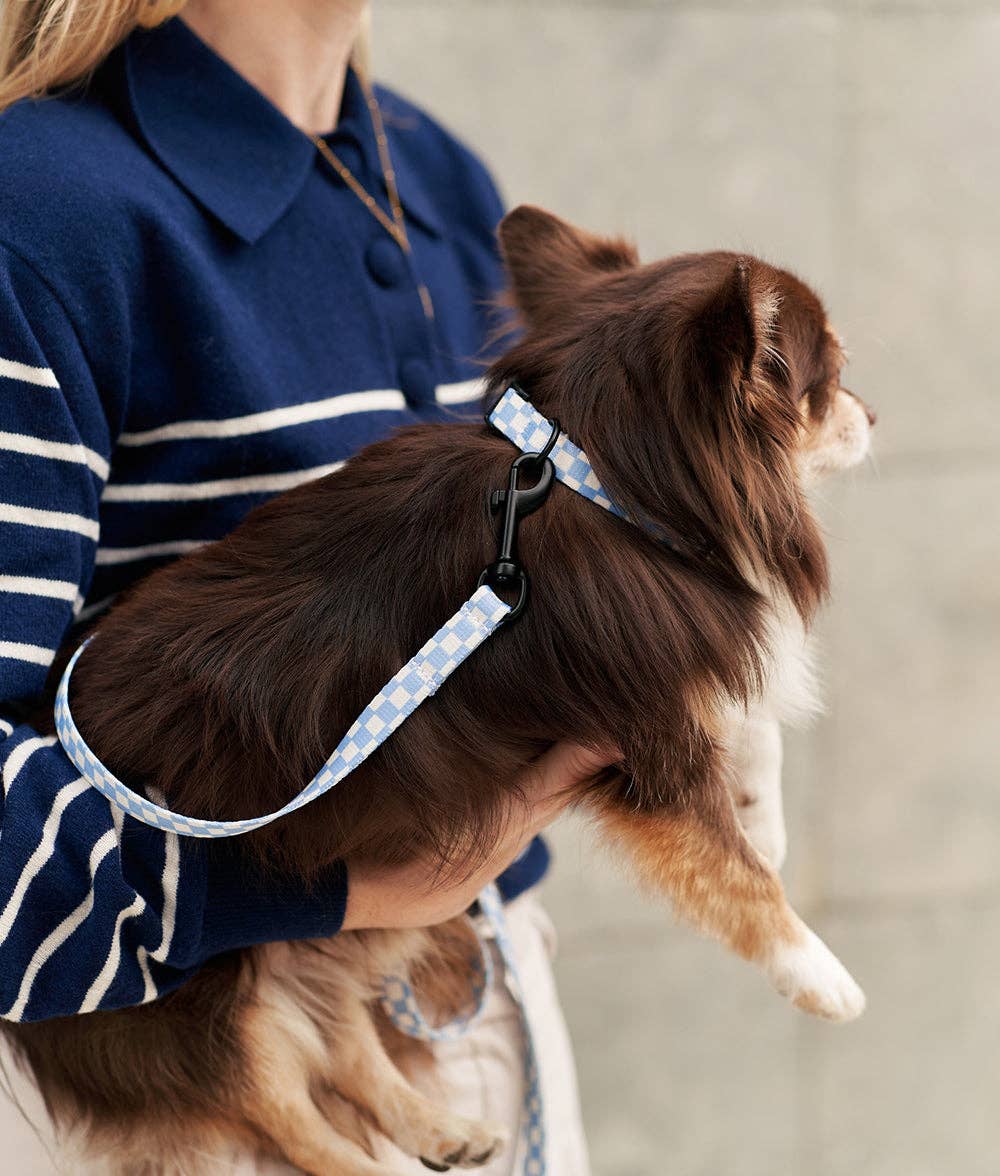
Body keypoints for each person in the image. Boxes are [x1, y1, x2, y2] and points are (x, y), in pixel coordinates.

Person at [0, 1, 604, 1170]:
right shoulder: (37, 212)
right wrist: (312, 881)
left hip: (488, 1021)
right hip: (181, 1099)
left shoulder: (431, 174)